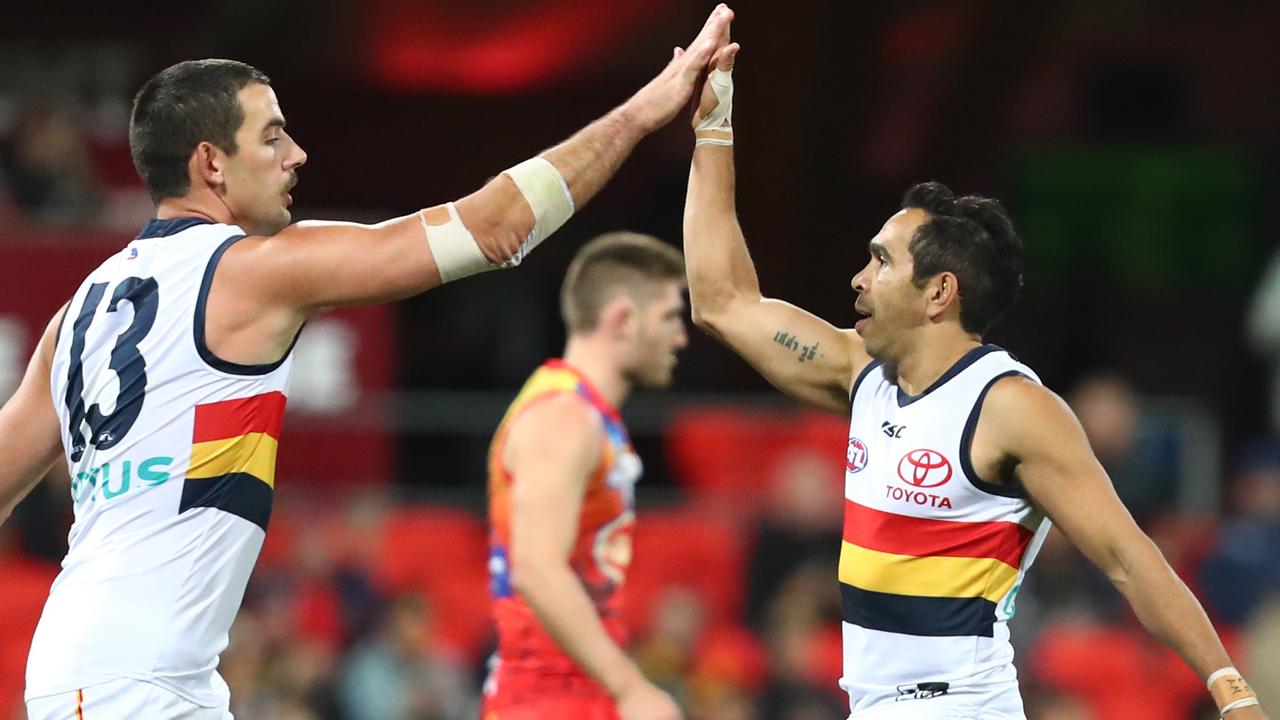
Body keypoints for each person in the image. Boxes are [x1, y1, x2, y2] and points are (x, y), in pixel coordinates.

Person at [0, 6, 734, 719]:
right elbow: (496, 225)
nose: (298, 156)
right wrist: (643, 112)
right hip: (129, 686)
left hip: (131, 674)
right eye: (273, 137)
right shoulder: (254, 271)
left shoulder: (77, 313)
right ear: (210, 164)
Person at [680, 36, 1268, 720]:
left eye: (880, 262)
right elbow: (721, 302)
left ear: (939, 293)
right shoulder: (859, 373)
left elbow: (1128, 558)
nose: (857, 280)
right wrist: (713, 125)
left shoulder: (1010, 409)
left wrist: (1232, 691)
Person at [482, 232, 689, 720]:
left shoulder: (587, 416)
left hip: (572, 689)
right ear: (622, 319)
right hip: (545, 697)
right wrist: (630, 689)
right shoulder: (563, 418)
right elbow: (536, 567)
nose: (680, 338)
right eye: (669, 318)